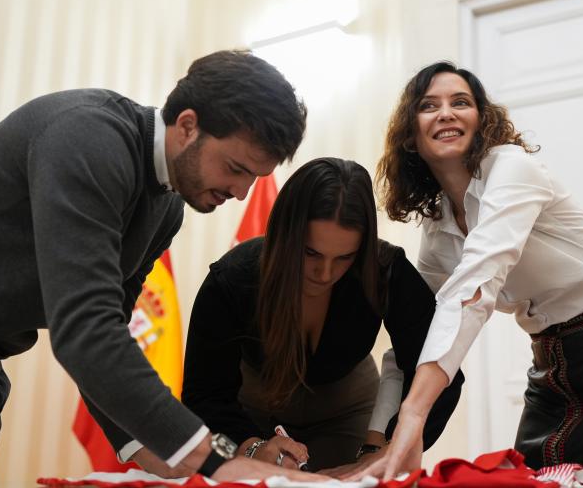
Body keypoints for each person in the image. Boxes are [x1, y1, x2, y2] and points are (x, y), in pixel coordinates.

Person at [0, 50, 326, 485]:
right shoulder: (89, 136)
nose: (241, 192)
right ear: (188, 125)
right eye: (235, 168)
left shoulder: (167, 210)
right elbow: (85, 328)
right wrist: (218, 459)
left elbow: (109, 330)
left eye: (255, 178)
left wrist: (148, 449)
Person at [352, 62, 583, 486]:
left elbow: (476, 283)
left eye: (460, 102)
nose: (446, 112)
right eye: (429, 106)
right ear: (411, 135)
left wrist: (414, 413)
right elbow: (416, 334)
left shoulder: (511, 167)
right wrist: (377, 439)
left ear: (481, 120)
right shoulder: (438, 224)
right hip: (554, 369)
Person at [178, 157, 464, 472]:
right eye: (310, 252)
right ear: (285, 237)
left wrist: (390, 446)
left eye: (345, 257)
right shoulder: (232, 279)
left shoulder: (386, 270)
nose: (325, 273)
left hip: (348, 409)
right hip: (250, 415)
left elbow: (440, 371)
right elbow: (204, 394)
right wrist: (252, 447)